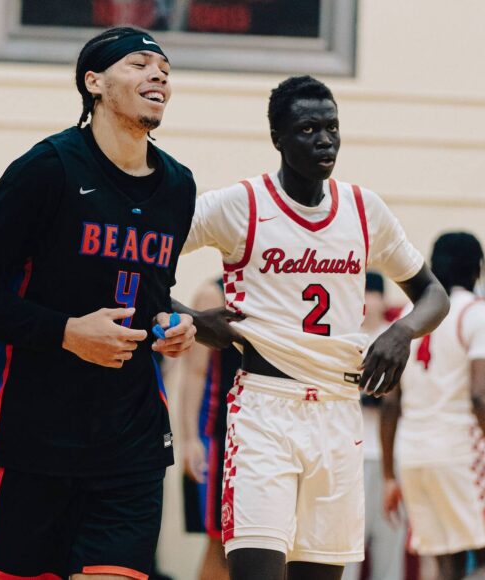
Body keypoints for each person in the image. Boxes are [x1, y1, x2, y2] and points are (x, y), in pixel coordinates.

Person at [0, 26, 197, 580]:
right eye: (140, 64)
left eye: (165, 71)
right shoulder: (47, 169)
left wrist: (171, 324)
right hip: (34, 441)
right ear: (93, 82)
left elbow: (148, 293)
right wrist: (67, 332)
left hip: (131, 445)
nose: (158, 77)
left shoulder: (178, 185)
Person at [177, 75, 450, 580]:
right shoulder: (240, 205)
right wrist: (189, 318)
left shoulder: (364, 209)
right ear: (278, 138)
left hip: (339, 413)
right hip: (264, 409)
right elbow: (144, 252)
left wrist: (401, 332)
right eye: (308, 129)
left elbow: (433, 294)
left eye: (332, 127)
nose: (325, 139)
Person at [381, 232, 485, 580]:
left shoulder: (409, 314)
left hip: (413, 454)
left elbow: (390, 403)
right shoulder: (480, 314)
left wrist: (388, 475)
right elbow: (480, 395)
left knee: (445, 568)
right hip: (461, 452)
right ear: (478, 269)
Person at [342, 272, 406, 580]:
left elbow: (404, 397)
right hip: (352, 453)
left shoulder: (396, 339)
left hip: (390, 456)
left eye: (372, 293)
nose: (367, 300)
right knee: (348, 544)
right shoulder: (343, 337)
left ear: (382, 298)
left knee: (389, 545)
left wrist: (380, 397)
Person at [181, 278, 242, 580]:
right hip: (218, 437)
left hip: (259, 436)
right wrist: (190, 438)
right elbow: (194, 371)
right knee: (221, 545)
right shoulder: (212, 294)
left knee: (256, 547)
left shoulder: (274, 288)